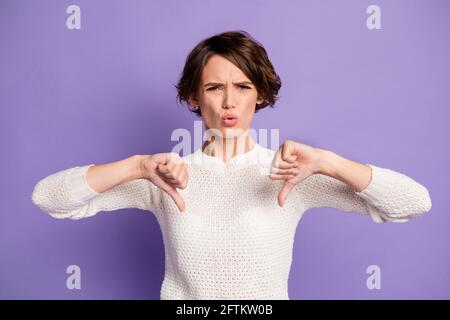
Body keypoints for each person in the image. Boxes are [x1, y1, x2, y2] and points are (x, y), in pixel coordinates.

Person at [31, 30, 432, 300]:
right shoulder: (163, 178)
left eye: (243, 87)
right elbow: (49, 198)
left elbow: (414, 202)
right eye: (214, 87)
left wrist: (328, 161)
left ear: (259, 95)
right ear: (193, 97)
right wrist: (136, 166)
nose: (229, 102)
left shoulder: (290, 175)